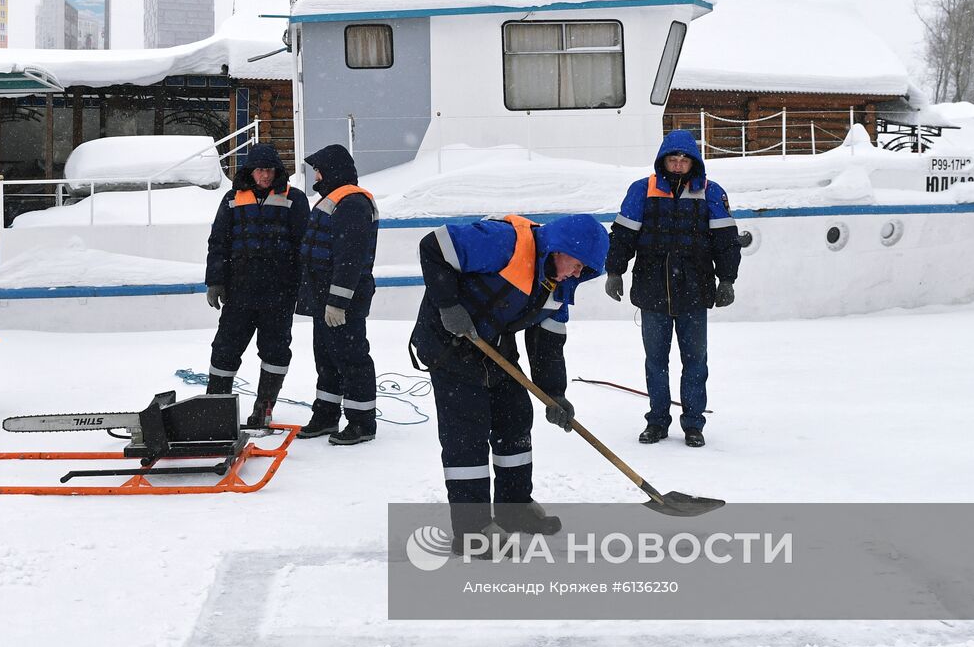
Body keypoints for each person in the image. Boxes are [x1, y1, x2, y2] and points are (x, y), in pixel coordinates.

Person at [411, 213, 608, 551]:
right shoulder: (505, 242)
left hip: (492, 346)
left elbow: (547, 345)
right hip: (448, 342)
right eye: (577, 265)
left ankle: (514, 509)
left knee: (515, 417)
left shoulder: (560, 287)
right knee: (467, 434)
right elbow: (433, 245)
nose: (577, 274)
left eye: (584, 271)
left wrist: (554, 395)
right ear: (560, 248)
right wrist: (448, 305)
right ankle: (472, 532)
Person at [605, 130, 741, 448]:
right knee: (656, 361)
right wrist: (614, 271)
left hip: (696, 291)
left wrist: (728, 279)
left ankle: (693, 424)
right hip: (652, 292)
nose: (678, 165)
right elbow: (622, 235)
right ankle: (657, 422)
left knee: (695, 362)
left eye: (684, 160)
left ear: (693, 162)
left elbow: (726, 242)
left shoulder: (711, 192)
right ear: (663, 160)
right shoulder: (641, 191)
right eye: (673, 159)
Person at [204, 143, 310, 427]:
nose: (264, 175)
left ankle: (264, 405)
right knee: (225, 348)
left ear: (277, 171)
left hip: (279, 294)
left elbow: (304, 247)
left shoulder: (295, 199)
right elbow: (218, 243)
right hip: (239, 293)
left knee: (275, 350)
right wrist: (215, 281)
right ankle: (216, 403)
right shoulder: (231, 199)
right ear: (250, 171)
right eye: (259, 170)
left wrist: (301, 287)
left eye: (269, 170)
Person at [296, 144, 379, 446]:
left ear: (330, 170)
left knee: (351, 359)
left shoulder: (353, 203)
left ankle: (361, 422)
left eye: (318, 169)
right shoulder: (332, 200)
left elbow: (350, 258)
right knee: (327, 358)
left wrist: (338, 302)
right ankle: (326, 415)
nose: (315, 175)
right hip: (323, 299)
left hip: (342, 301)